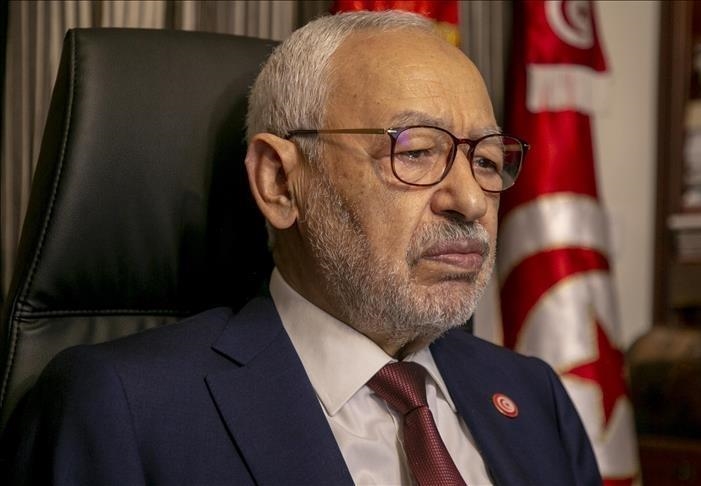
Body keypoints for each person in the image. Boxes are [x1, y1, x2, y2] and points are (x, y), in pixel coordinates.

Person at [2, 10, 600, 486]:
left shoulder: (534, 396)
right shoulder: (122, 407)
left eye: (488, 161)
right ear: (280, 182)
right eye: (416, 152)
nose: (470, 200)